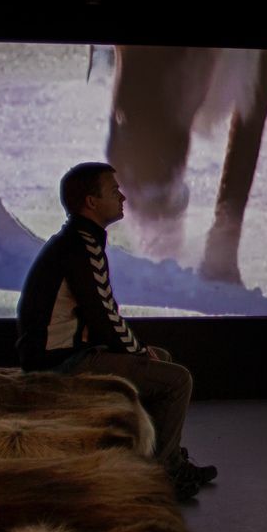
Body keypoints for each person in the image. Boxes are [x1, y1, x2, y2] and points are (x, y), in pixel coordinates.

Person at [16, 161, 219, 499]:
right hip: (61, 363)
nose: (123, 197)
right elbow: (104, 318)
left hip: (65, 355)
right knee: (177, 380)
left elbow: (103, 316)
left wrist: (141, 352)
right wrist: (139, 352)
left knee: (162, 359)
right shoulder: (80, 246)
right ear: (91, 202)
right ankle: (163, 474)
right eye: (114, 191)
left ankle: (158, 459)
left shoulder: (79, 241)